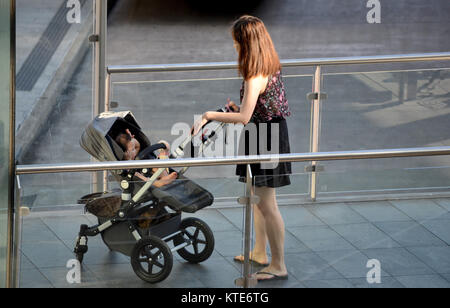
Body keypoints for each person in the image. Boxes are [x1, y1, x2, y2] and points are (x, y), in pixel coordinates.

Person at [192, 15, 291, 282]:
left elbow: (245, 117)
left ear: (245, 43)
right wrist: (237, 109)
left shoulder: (254, 74)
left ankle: (279, 264)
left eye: (236, 42)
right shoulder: (267, 64)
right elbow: (255, 109)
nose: (234, 47)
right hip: (265, 133)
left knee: (267, 204)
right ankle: (260, 252)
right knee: (258, 199)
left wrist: (209, 115)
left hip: (264, 138)